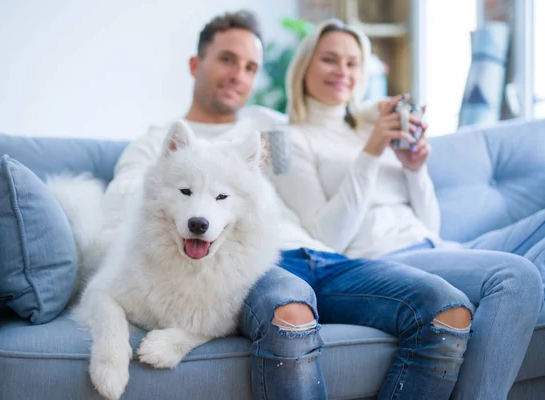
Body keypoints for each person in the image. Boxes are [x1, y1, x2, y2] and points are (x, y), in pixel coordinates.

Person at [103, 9, 478, 400]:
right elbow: (125, 205)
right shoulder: (159, 143)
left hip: (325, 256)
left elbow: (331, 115)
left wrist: (385, 115)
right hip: (258, 264)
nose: (238, 75)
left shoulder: (269, 130)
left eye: (250, 67)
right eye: (227, 59)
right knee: (291, 318)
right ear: (197, 64)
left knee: (444, 309)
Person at [268, 18, 544, 399]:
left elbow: (429, 224)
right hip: (387, 259)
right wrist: (370, 153)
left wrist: (415, 170)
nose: (342, 72)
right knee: (517, 277)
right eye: (329, 60)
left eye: (352, 63)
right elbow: (327, 237)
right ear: (305, 67)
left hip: (436, 246)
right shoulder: (287, 140)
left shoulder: (371, 126)